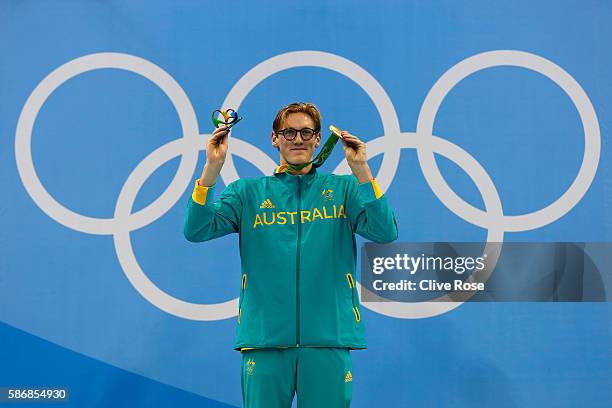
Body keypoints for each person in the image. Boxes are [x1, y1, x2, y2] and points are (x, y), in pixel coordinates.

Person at [184, 102, 398, 407]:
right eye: (289, 132)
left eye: (306, 132)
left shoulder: (345, 189)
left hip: (328, 337)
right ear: (275, 138)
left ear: (318, 139)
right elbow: (196, 229)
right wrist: (211, 170)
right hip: (265, 339)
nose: (298, 139)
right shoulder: (247, 193)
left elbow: (385, 232)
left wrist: (362, 171)